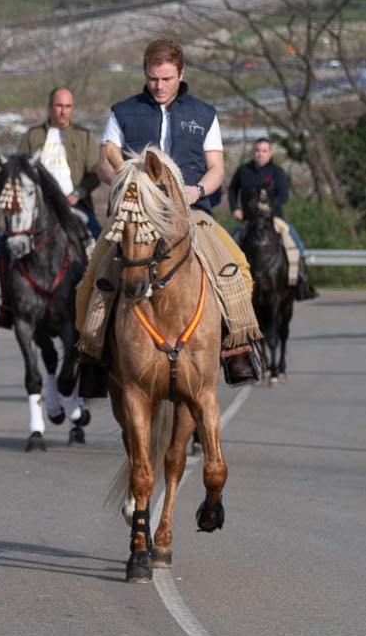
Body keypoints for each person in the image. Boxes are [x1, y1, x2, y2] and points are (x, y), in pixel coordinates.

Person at [76, 37, 262, 388]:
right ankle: (91, 354)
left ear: (180, 73)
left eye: (165, 78)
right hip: (135, 214)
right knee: (92, 279)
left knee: (237, 270)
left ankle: (235, 349)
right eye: (152, 78)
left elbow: (217, 169)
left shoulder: (204, 114)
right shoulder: (122, 112)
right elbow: (104, 163)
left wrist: (198, 190)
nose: (158, 86)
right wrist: (127, 178)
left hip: (190, 212)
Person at [0, 86, 101, 328]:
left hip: (74, 206)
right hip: (37, 210)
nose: (64, 112)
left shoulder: (84, 136)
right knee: (4, 243)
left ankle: (99, 306)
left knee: (100, 238)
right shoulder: (32, 136)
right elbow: (17, 170)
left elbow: (95, 173)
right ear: (50, 107)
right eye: (59, 106)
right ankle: (8, 307)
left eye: (68, 107)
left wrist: (77, 193)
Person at [228, 138, 316, 300]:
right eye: (257, 150)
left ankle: (301, 283)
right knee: (228, 245)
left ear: (270, 153)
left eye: (263, 151)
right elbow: (232, 190)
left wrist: (270, 207)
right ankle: (226, 285)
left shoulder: (277, 172)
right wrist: (235, 209)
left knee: (297, 243)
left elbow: (283, 195)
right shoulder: (243, 170)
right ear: (253, 152)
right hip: (249, 221)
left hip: (274, 220)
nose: (260, 154)